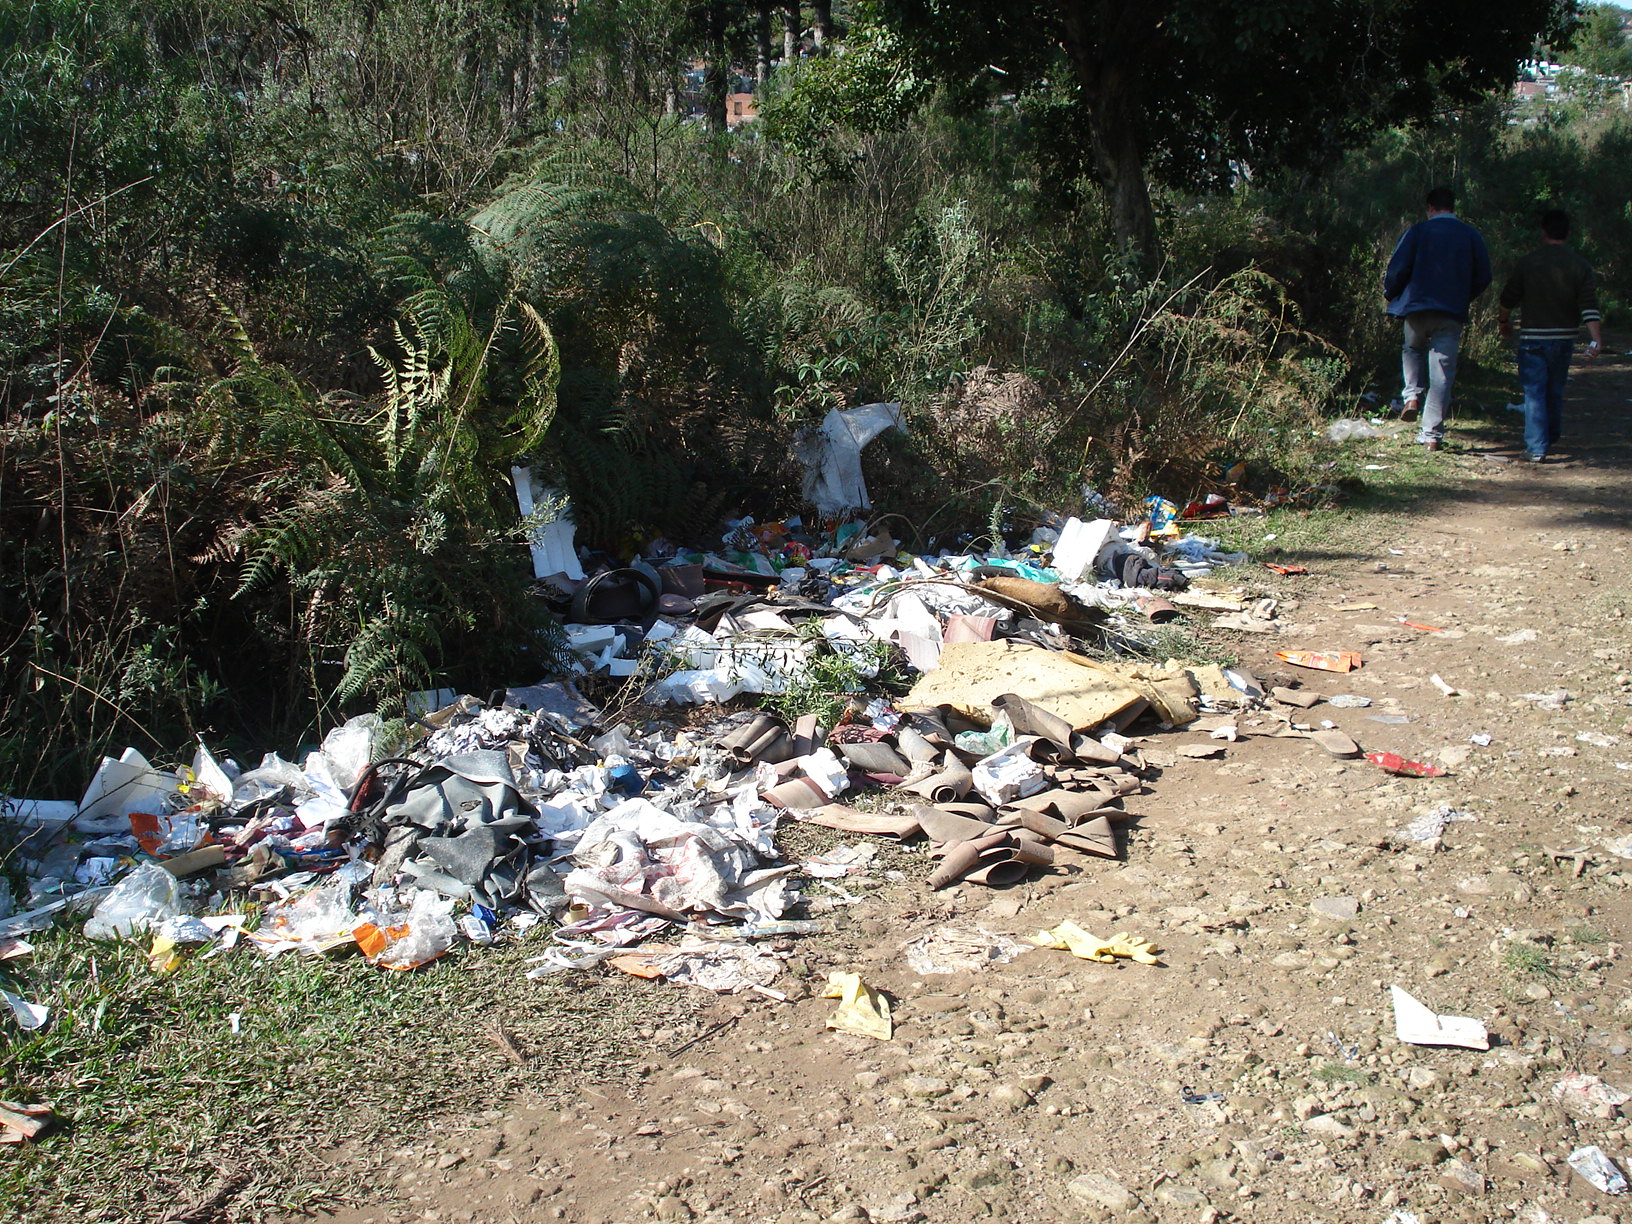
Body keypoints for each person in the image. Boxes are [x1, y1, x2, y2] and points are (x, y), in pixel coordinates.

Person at [1383, 187, 1493, 451]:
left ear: (1430, 208)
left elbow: (1397, 268)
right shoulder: (1470, 235)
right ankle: (1431, 435)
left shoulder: (1417, 232)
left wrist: (1392, 293)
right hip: (1450, 311)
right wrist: (1463, 296)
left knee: (1411, 348)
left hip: (1417, 307)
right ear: (1452, 207)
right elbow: (1484, 275)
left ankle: (1411, 396)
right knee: (1442, 373)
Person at [1498, 209, 1602, 463]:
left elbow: (1508, 296)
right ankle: (1549, 435)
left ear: (1543, 232)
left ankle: (1536, 447)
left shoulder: (1528, 262)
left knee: (1534, 391)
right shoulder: (1580, 265)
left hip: (1533, 337)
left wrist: (1504, 321)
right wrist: (1596, 339)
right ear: (1567, 233)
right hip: (1564, 338)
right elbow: (1588, 305)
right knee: (1554, 389)